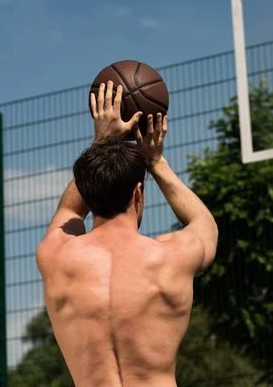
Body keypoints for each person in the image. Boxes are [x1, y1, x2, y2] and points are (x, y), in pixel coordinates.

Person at [36, 80, 218, 386]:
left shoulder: (55, 256)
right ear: (138, 193)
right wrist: (156, 161)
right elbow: (205, 224)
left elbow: (68, 213)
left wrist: (101, 143)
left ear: (88, 193)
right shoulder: (173, 256)